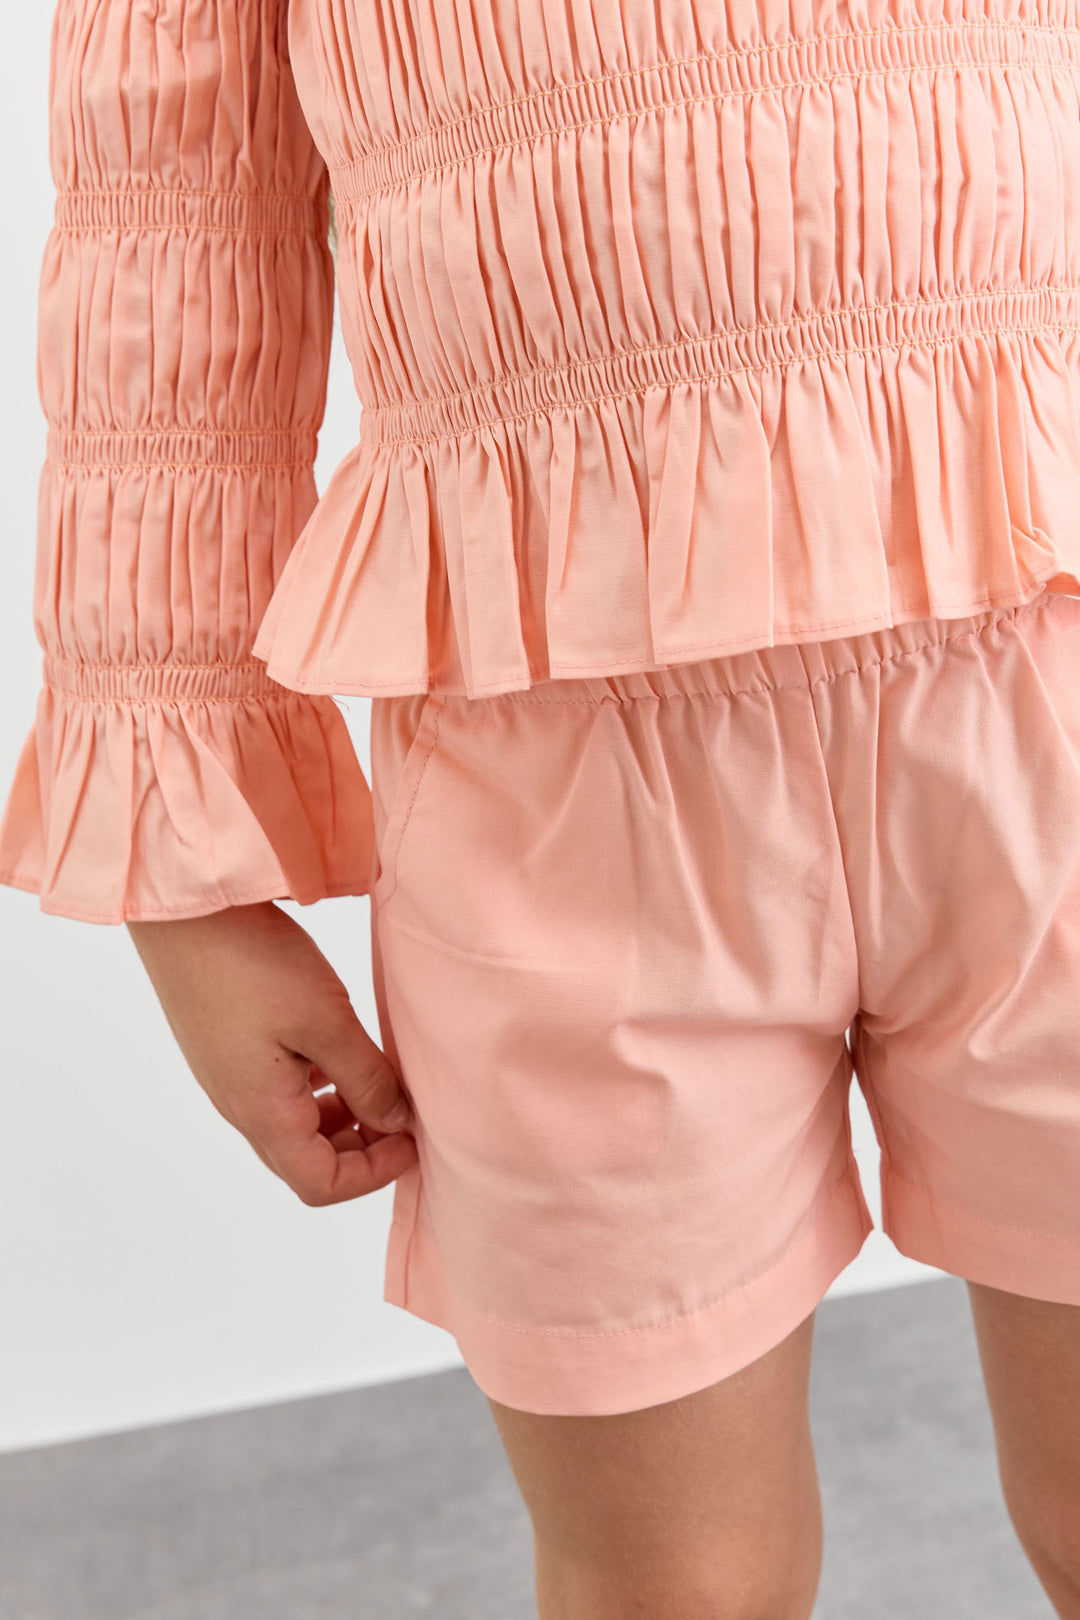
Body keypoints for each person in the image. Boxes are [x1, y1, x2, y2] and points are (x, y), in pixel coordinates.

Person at [2, 0, 1080, 1614]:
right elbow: (166, 240)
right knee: (674, 1590)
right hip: (548, 781)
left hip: (1045, 644)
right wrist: (185, 877)